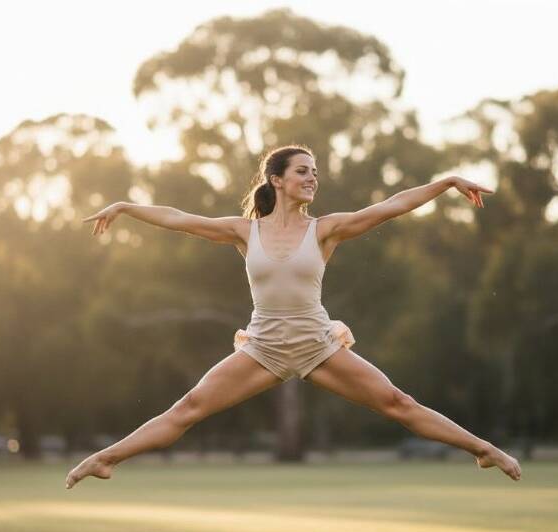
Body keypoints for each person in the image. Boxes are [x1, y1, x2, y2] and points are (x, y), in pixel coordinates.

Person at [66, 144, 521, 488]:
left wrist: (446, 183)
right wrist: (125, 207)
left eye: (315, 173)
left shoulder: (325, 230)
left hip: (317, 344)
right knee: (188, 408)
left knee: (397, 404)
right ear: (277, 180)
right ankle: (107, 458)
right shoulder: (244, 232)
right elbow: (178, 217)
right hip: (263, 347)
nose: (312, 178)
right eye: (303, 171)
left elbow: (392, 205)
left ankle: (482, 450)